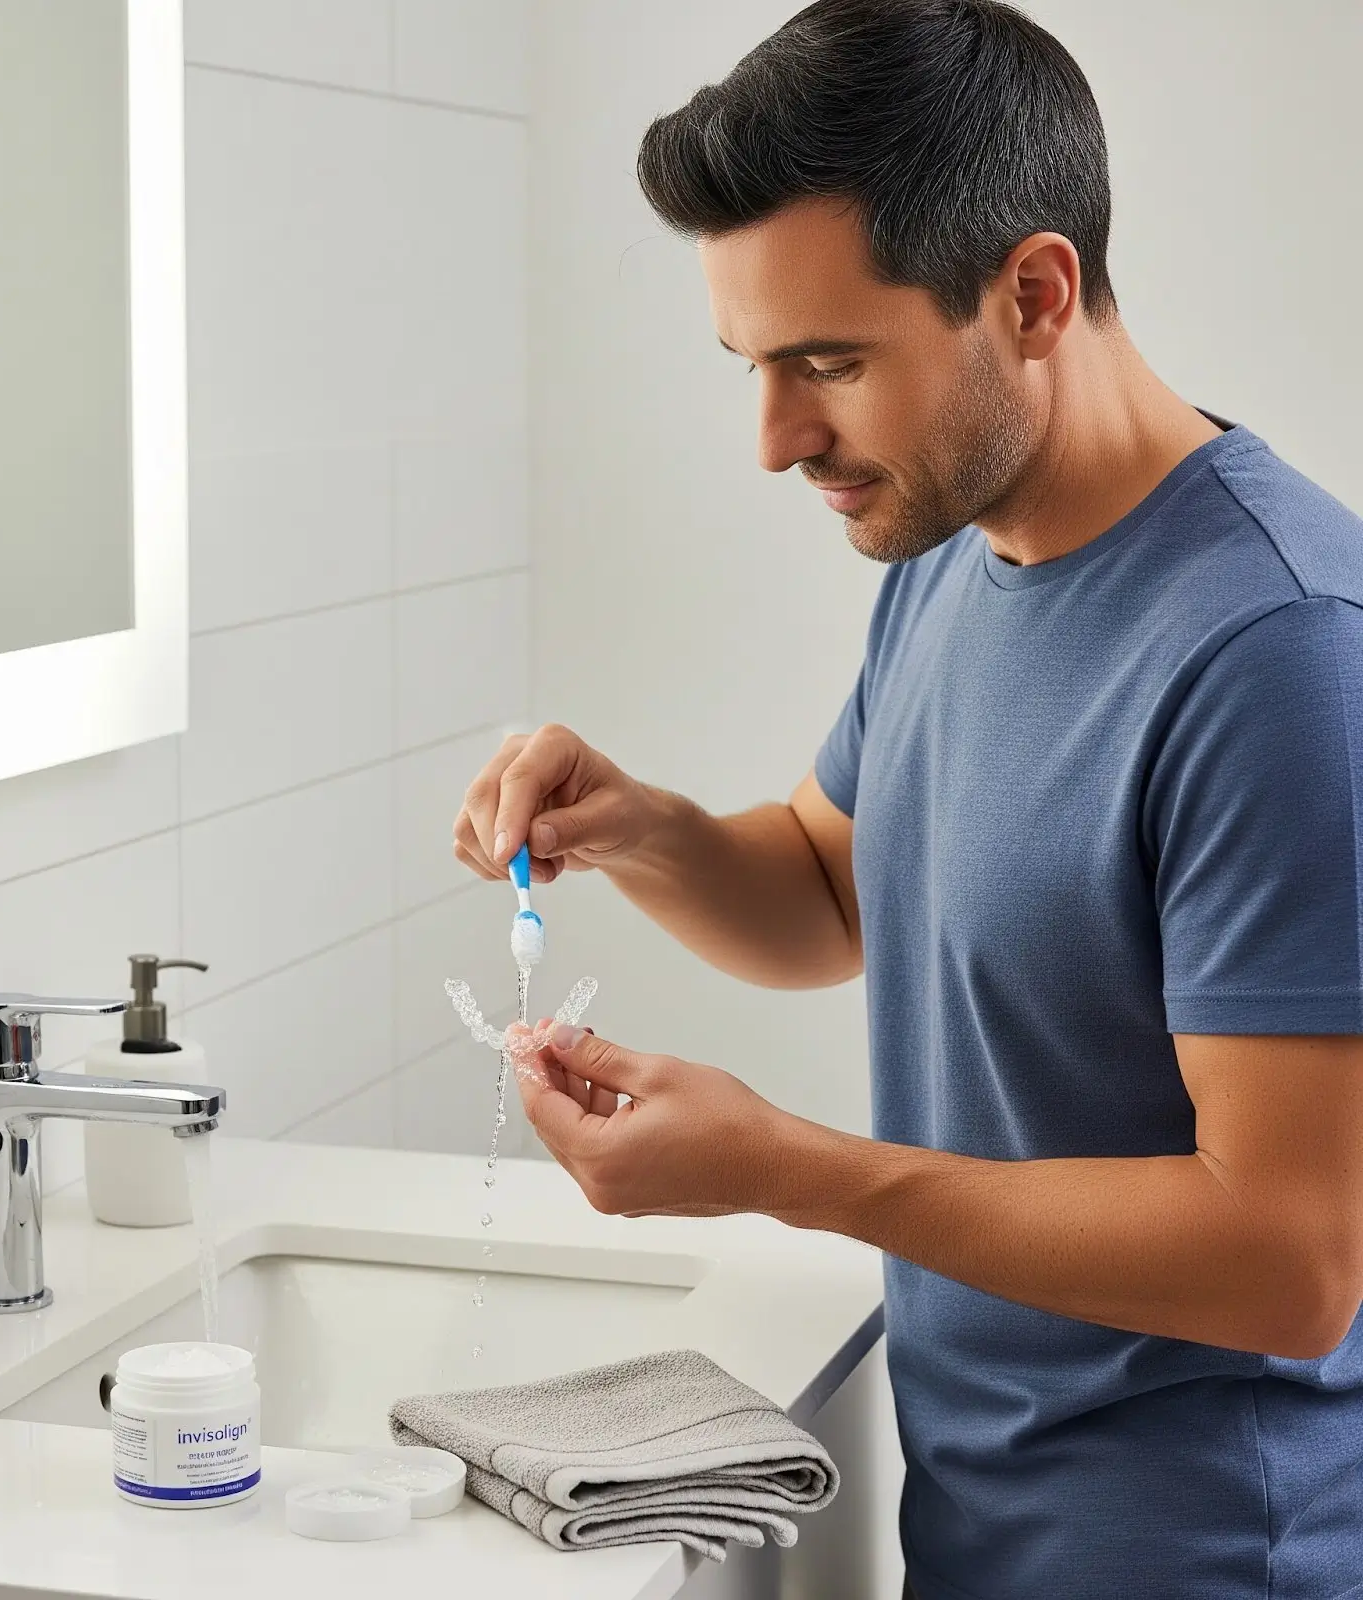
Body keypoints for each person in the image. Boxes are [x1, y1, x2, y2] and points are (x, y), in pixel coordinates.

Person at [451, 3, 1363, 1597]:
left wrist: (784, 1167)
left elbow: (1292, 1263)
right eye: (752, 365)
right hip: (981, 1534)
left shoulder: (1278, 653)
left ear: (1033, 292)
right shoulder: (955, 547)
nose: (777, 439)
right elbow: (832, 888)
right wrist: (640, 822)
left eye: (827, 364)